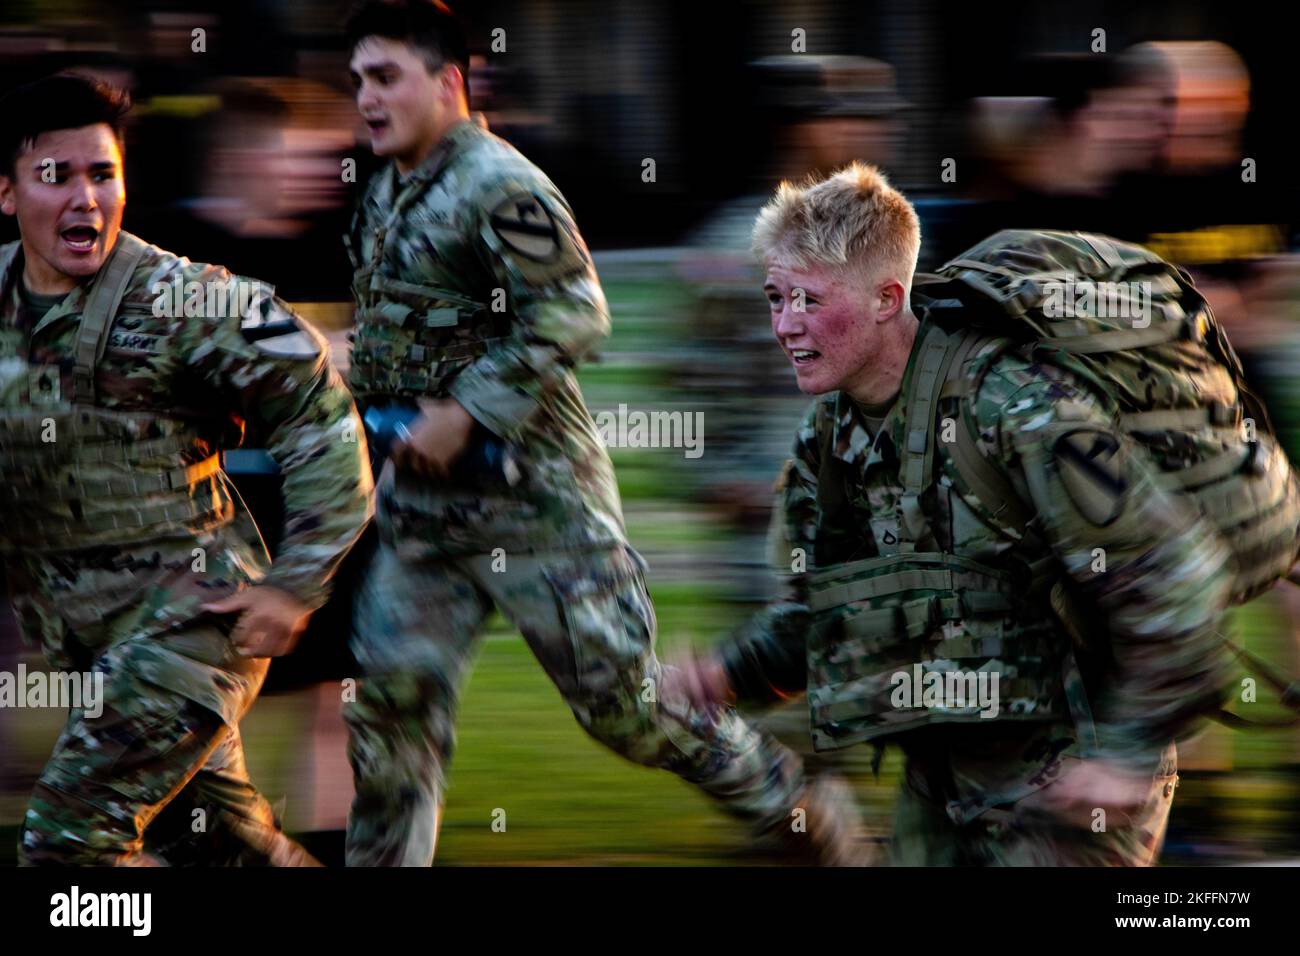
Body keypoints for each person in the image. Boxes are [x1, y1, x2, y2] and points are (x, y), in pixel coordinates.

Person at [339, 0, 865, 866]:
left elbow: (576, 310)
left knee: (626, 709)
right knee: (391, 707)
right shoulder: (386, 190)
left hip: (538, 505)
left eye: (385, 76)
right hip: (427, 513)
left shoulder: (499, 184)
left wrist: (466, 411)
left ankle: (797, 806)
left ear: (447, 84)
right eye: (357, 78)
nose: (365, 97)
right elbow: (406, 332)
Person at [668, 161, 1256, 865]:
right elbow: (820, 619)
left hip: (1073, 782)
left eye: (809, 301)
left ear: (888, 298)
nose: (784, 326)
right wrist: (726, 674)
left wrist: (1126, 761)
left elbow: (1180, 580)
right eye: (775, 298)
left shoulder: (1018, 413)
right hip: (941, 785)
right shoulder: (828, 438)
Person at [0, 73, 373, 865]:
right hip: (92, 646)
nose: (85, 200)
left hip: (192, 631)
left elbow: (323, 417)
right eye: (55, 176)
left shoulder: (188, 302)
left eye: (103, 175)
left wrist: (295, 583)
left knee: (68, 848)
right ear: (6, 194)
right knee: (233, 849)